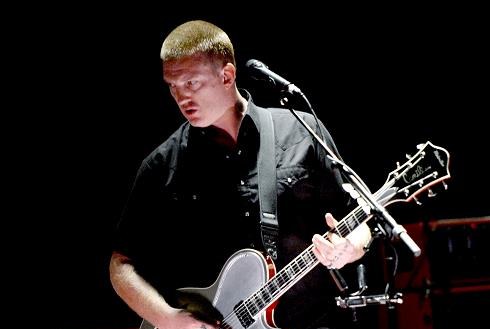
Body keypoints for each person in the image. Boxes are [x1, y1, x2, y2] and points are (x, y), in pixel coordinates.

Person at [109, 20, 372, 329]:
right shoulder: (162, 165)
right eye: (173, 87)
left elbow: (360, 219)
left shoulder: (302, 131)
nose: (181, 98)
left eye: (191, 83)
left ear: (227, 75)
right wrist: (168, 319)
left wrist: (350, 248)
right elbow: (121, 266)